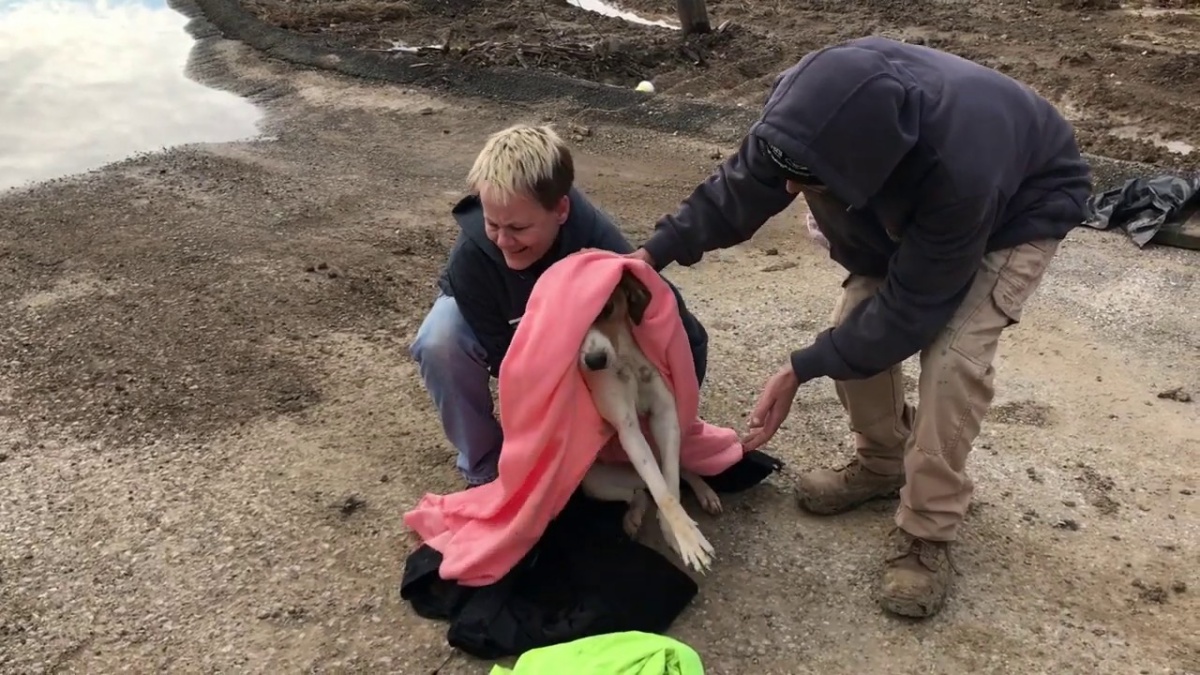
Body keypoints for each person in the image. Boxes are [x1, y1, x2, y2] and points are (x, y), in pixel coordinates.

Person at [625, 36, 1092, 618]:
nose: (791, 192)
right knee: (852, 321)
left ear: (859, 166)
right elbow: (740, 189)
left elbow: (912, 309)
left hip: (1021, 205)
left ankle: (929, 530)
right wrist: (649, 255)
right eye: (789, 174)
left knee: (953, 361)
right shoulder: (811, 116)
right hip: (895, 191)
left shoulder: (960, 171)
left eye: (809, 182)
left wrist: (802, 367)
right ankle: (883, 463)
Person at [410, 124, 710, 488]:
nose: (504, 241)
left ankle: (598, 450)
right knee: (440, 339)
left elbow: (670, 321)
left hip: (569, 330)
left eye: (519, 227)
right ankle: (486, 469)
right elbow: (514, 371)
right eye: (493, 223)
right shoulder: (472, 261)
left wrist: (677, 402)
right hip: (511, 325)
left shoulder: (598, 242)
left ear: (561, 210)